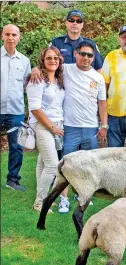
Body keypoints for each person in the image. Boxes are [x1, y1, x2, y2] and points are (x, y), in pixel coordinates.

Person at [30, 40, 108, 213]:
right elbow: (47, 66)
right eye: (83, 54)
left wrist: (104, 125)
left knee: (88, 164)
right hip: (69, 126)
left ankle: (83, 194)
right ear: (75, 54)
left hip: (90, 127)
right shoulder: (66, 69)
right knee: (66, 165)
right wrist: (35, 69)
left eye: (90, 55)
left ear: (93, 57)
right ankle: (63, 199)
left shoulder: (98, 77)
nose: (86, 58)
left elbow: (102, 103)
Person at [26, 46, 65, 212]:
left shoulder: (58, 80)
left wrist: (56, 126)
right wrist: (52, 127)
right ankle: (39, 202)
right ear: (42, 60)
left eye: (56, 58)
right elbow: (34, 108)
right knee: (52, 165)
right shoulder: (37, 79)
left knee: (43, 161)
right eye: (49, 58)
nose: (53, 60)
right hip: (43, 125)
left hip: (56, 123)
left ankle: (41, 197)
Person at [0, 24, 31, 191]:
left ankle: (12, 180)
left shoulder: (25, 61)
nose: (11, 37)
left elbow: (27, 86)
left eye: (14, 34)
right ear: (2, 36)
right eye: (8, 34)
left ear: (19, 37)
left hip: (16, 111)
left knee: (16, 147)